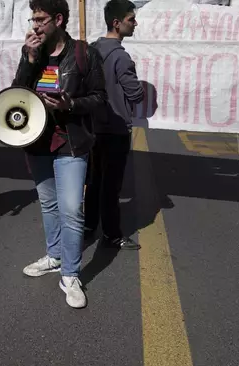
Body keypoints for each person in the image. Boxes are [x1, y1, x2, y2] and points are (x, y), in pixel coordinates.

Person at [13, 0, 107, 308]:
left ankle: (70, 274)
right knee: (49, 204)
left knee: (70, 208)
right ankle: (54, 256)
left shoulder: (84, 54)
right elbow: (17, 93)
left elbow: (99, 98)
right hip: (38, 139)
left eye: (40, 19)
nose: (35, 25)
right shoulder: (33, 53)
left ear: (59, 19)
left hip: (71, 140)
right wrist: (28, 59)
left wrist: (70, 105)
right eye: (32, 19)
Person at [85, 0, 142, 250]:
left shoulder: (91, 49)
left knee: (94, 181)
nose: (135, 23)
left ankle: (88, 226)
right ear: (117, 23)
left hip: (92, 127)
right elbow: (136, 94)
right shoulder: (120, 56)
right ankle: (112, 234)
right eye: (131, 19)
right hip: (116, 129)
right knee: (111, 185)